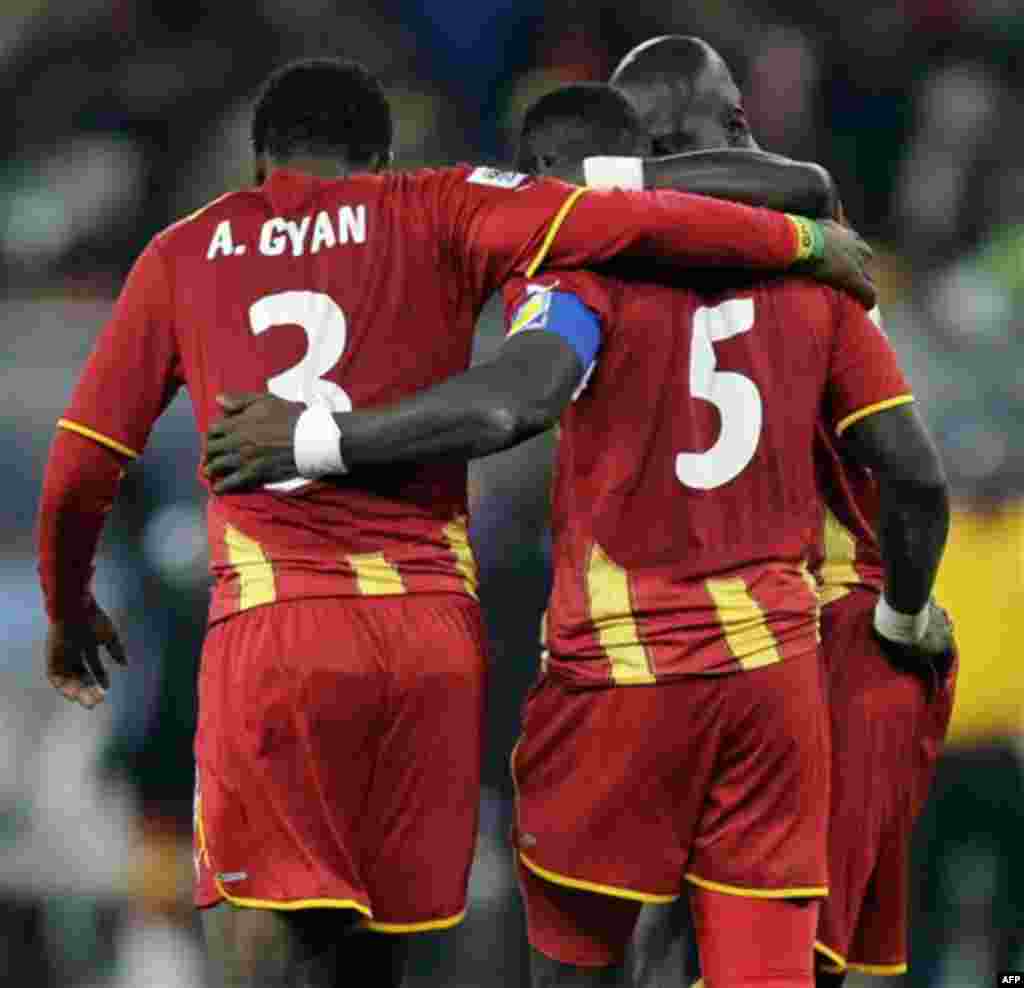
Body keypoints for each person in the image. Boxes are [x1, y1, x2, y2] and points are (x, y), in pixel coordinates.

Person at [34, 57, 873, 988]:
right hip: (433, 635)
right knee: (395, 951)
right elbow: (683, 213)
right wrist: (798, 244)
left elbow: (79, 471)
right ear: (383, 156)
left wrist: (69, 608)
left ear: (259, 162)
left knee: (268, 936)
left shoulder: (185, 251)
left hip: (276, 628)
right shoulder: (439, 204)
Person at [607, 35, 958, 987]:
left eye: (665, 153)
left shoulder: (792, 234)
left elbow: (913, 480)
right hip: (767, 624)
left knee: (743, 945)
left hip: (802, 624)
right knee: (724, 939)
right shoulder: (695, 256)